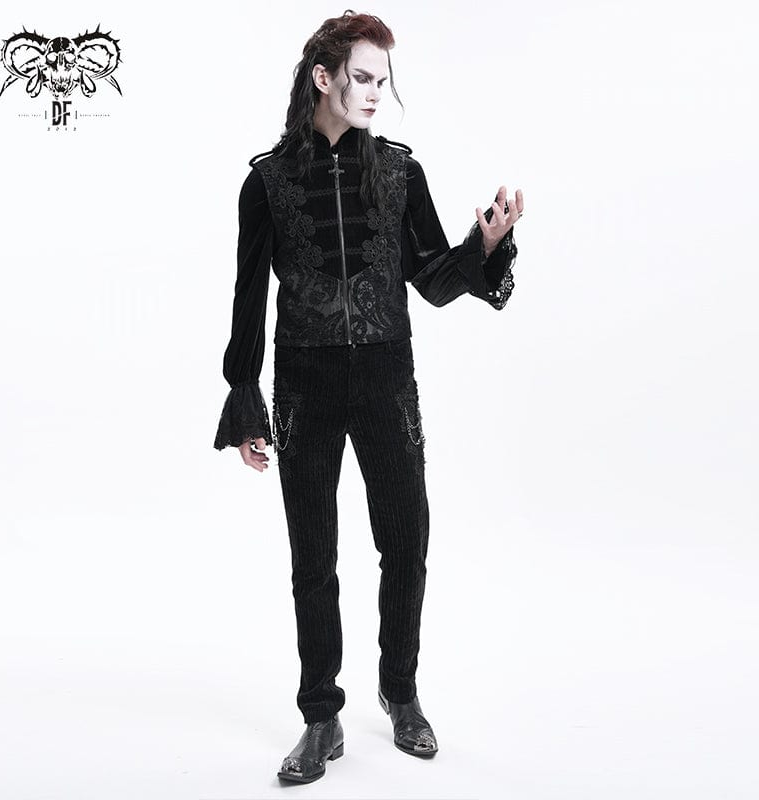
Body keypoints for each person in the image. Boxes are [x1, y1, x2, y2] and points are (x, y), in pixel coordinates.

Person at [213, 9, 524, 784]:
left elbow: (433, 281)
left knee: (406, 542)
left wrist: (484, 244)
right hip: (305, 384)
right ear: (324, 78)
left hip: (387, 378)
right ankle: (321, 717)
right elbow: (248, 299)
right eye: (362, 77)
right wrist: (245, 396)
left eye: (383, 79)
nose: (377, 92)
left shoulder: (400, 174)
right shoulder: (267, 183)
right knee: (313, 558)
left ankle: (401, 692)